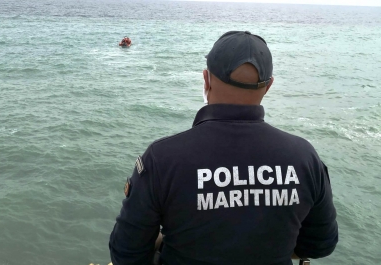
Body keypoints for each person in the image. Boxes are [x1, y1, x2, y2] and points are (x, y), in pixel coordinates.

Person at [109, 31, 338, 265]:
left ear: (206, 80)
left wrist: (163, 243)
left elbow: (126, 252)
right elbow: (321, 243)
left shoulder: (162, 159)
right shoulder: (303, 157)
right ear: (268, 87)